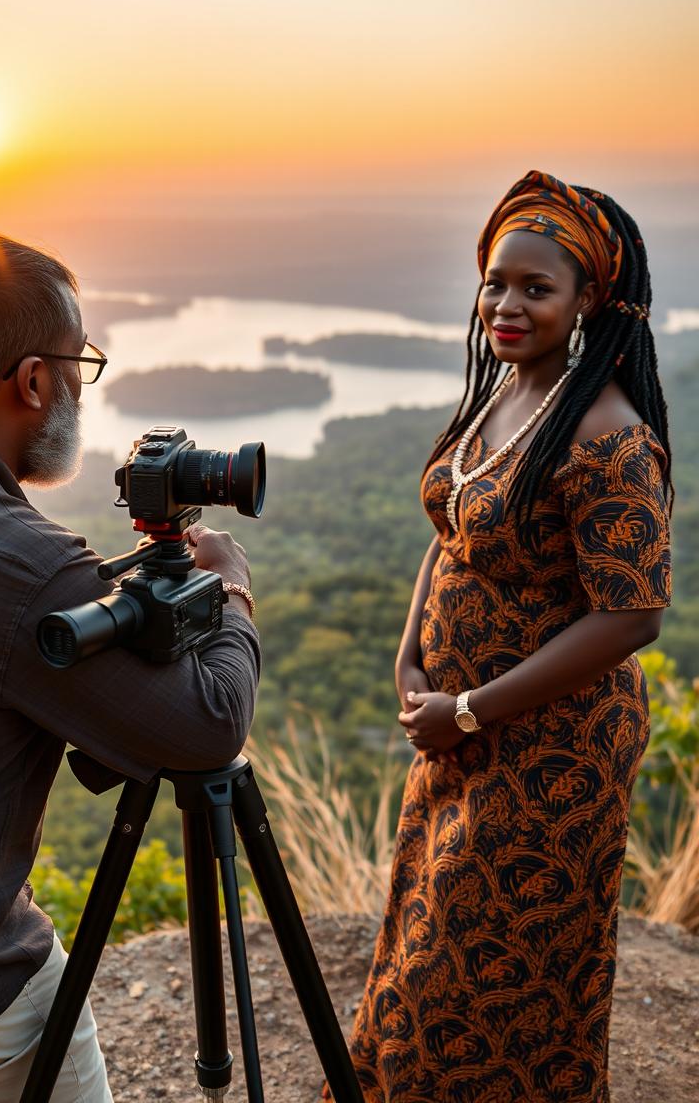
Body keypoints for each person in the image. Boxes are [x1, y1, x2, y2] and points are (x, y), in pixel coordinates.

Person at [0, 233, 261, 1101]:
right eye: (79, 363)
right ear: (34, 380)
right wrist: (230, 593)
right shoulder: (27, 568)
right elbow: (205, 729)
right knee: (57, 1038)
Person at [327, 171, 672, 1102]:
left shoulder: (607, 435)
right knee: (420, 948)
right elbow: (451, 536)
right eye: (495, 283)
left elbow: (632, 613)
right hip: (459, 735)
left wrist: (472, 710)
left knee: (488, 982)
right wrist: (410, 655)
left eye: (535, 288)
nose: (506, 305)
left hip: (550, 755)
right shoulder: (507, 394)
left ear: (589, 299)